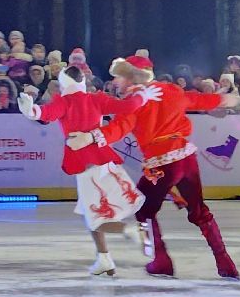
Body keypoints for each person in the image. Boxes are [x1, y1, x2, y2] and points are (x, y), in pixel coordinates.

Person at [70, 55, 240, 279]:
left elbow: (118, 129)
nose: (115, 83)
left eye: (119, 78)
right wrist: (224, 100)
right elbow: (196, 100)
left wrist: (91, 138)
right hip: (186, 158)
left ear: (132, 77)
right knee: (200, 212)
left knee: (143, 210)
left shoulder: (134, 103)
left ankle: (161, 261)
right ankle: (226, 264)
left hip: (161, 164)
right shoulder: (170, 90)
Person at [19, 66, 159, 276]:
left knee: (95, 219)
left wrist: (31, 111)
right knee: (90, 213)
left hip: (86, 168)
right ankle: (104, 258)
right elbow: (127, 106)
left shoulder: (63, 102)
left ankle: (129, 231)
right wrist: (143, 95)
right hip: (105, 162)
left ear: (64, 83)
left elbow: (46, 114)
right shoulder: (96, 99)